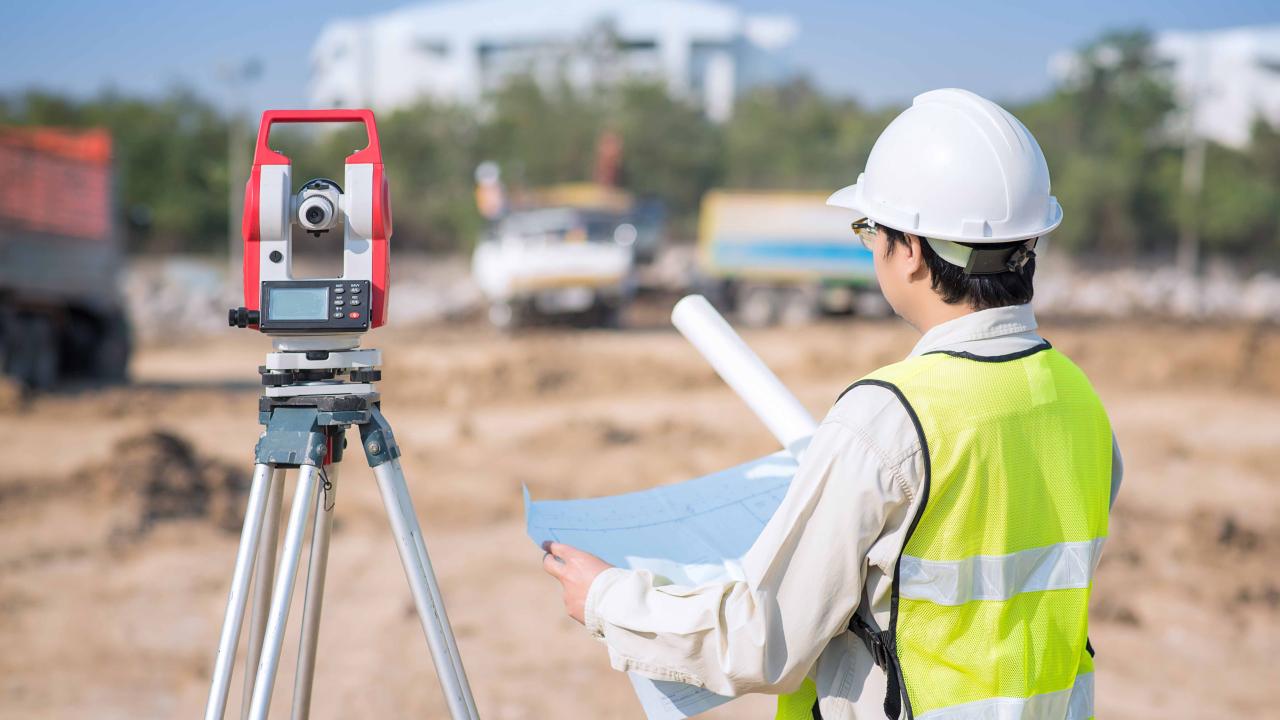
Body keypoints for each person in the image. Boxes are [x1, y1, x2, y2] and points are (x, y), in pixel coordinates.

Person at [541, 88, 1122, 720]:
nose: (870, 247)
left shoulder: (890, 420)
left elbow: (767, 640)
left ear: (913, 250)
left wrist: (608, 600)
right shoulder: (1079, 400)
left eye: (872, 229)